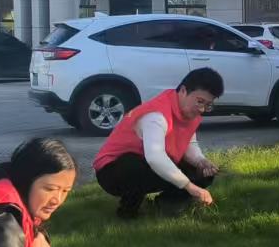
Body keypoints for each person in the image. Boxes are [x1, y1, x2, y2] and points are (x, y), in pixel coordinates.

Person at [94, 68, 223, 217]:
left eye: (208, 105)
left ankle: (165, 204)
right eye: (200, 101)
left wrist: (201, 161)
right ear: (183, 91)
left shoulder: (189, 113)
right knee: (134, 165)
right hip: (112, 171)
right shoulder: (156, 115)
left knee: (203, 172)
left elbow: (189, 144)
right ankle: (128, 211)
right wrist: (190, 187)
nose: (202, 109)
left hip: (145, 163)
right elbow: (155, 157)